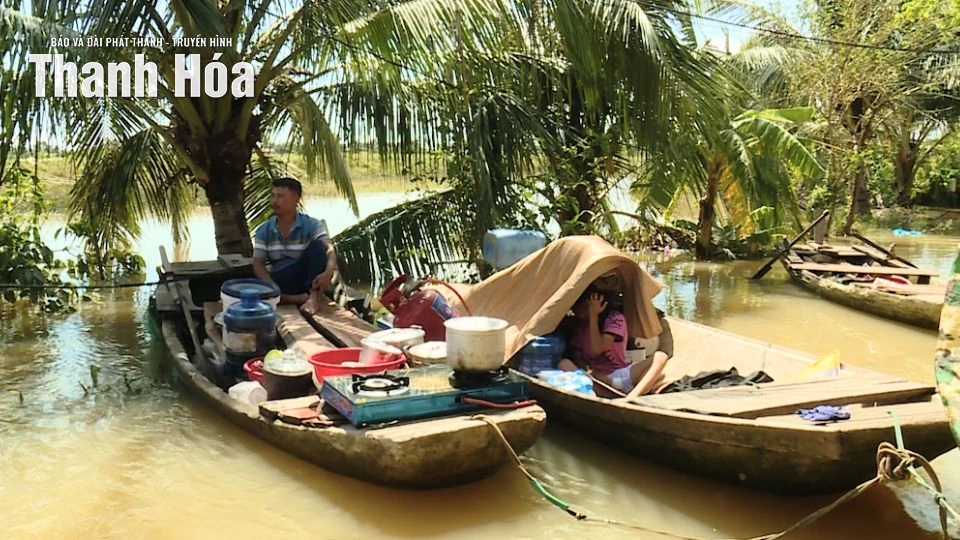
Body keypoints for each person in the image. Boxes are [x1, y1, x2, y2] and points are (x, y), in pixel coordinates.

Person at [557, 285, 671, 397]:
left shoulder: (616, 320)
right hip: (595, 379)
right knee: (564, 363)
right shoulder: (580, 327)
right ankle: (607, 393)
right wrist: (587, 371)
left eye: (579, 307)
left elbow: (596, 349)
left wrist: (593, 315)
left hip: (619, 375)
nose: (575, 311)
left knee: (660, 356)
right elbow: (578, 356)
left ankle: (632, 397)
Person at [252, 177, 338, 305]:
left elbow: (329, 250)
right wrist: (271, 286)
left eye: (280, 196)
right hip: (280, 280)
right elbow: (258, 263)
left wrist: (328, 272)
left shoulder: (311, 225)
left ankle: (312, 297)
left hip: (305, 281)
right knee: (252, 284)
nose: (275, 201)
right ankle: (294, 299)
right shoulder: (264, 230)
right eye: (273, 196)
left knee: (318, 247)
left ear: (296, 199)